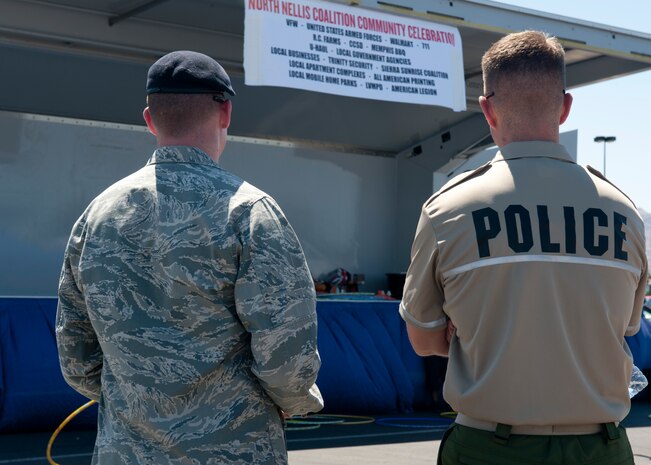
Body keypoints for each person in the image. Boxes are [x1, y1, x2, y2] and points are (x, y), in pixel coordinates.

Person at [56, 50, 323, 465]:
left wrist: (141, 399)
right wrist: (293, 400)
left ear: (149, 118)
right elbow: (286, 352)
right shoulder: (250, 213)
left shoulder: (98, 215)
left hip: (124, 452)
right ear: (226, 113)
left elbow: (76, 355)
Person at [400, 31, 648, 464]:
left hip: (488, 448)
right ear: (565, 107)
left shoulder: (449, 209)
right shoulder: (623, 213)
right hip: (600, 449)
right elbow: (626, 328)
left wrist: (473, 336)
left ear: (487, 110)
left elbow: (422, 339)